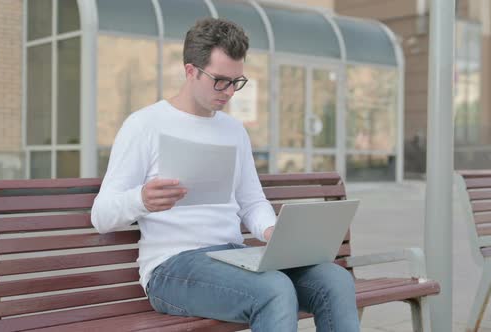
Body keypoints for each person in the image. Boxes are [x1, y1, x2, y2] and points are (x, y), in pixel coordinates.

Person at [91, 17, 359, 332]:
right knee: (273, 289)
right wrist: (142, 200)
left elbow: (251, 200)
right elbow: (101, 215)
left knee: (335, 280)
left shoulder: (233, 130)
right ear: (190, 71)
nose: (229, 91)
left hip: (233, 258)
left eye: (237, 81)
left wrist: (271, 230)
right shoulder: (144, 126)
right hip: (172, 267)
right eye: (220, 80)